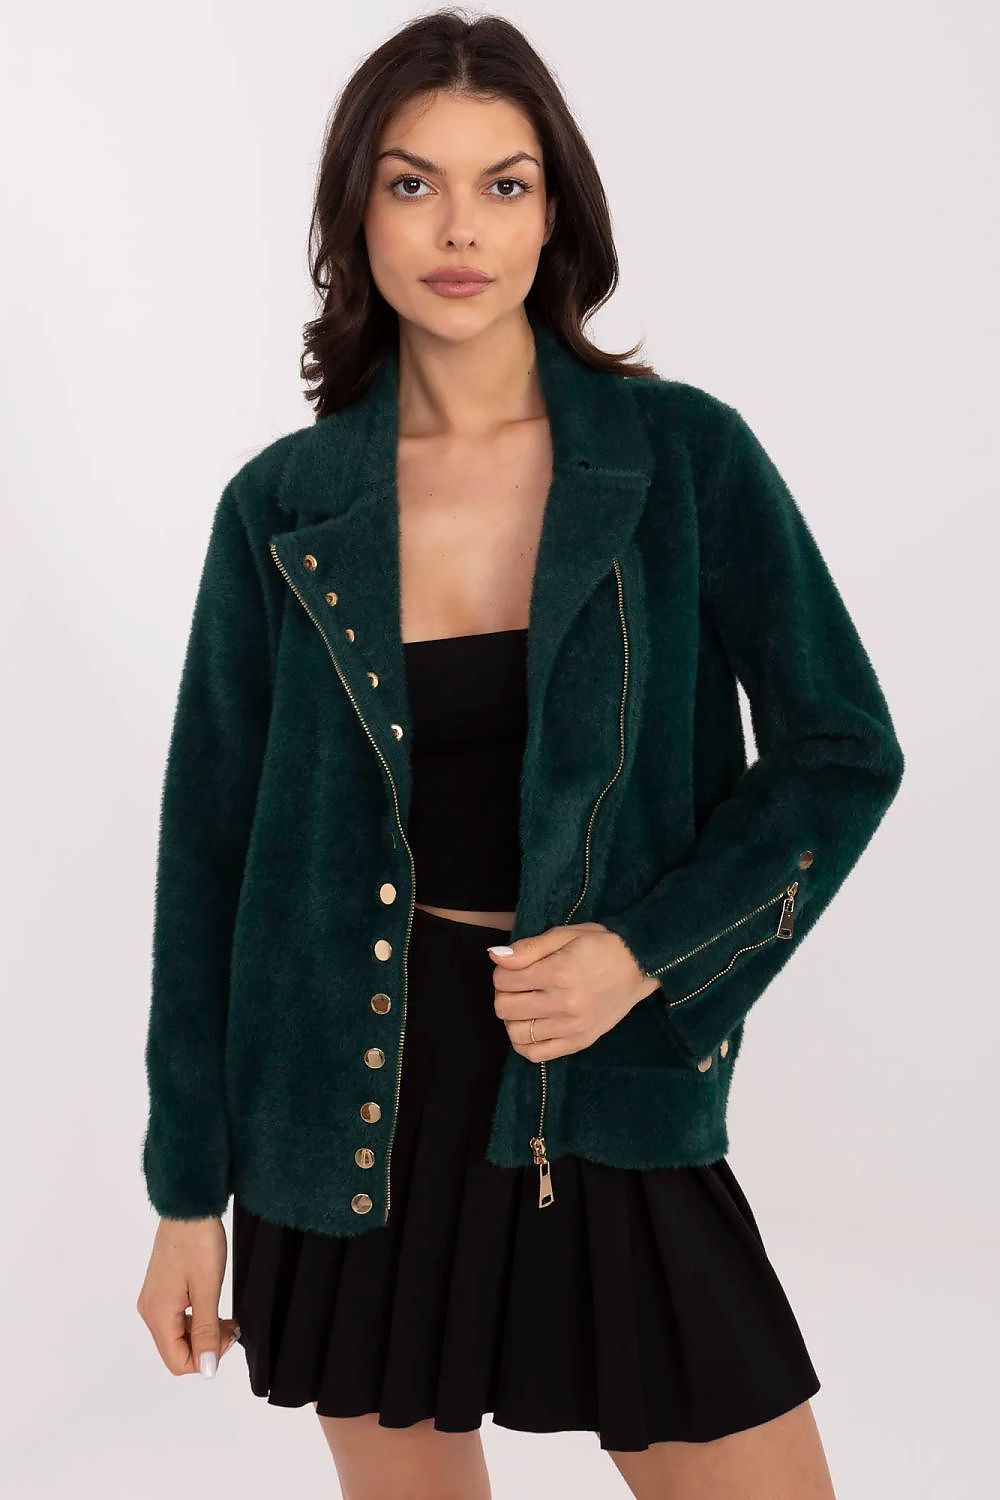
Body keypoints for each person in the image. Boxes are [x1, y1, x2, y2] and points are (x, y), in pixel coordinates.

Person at [136, 12, 904, 1499]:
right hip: (346, 1114)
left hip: (596, 1073)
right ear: (356, 214)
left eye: (505, 184)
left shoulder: (681, 458)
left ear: (557, 216)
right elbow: (207, 859)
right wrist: (185, 1196)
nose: (460, 230)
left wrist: (646, 954)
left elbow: (839, 750)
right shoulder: (283, 507)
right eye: (412, 183)